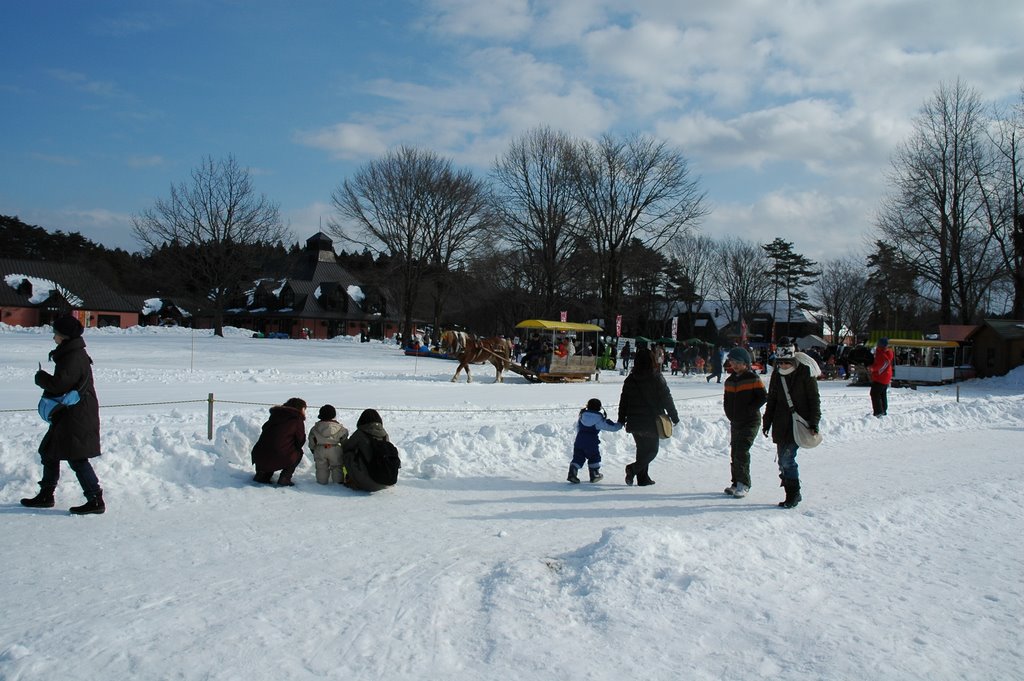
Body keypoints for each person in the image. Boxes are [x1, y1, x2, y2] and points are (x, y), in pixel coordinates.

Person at [22, 315, 105, 515]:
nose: (54, 338)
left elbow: (60, 385)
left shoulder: (73, 356)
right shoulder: (71, 353)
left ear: (64, 336)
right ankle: (46, 495)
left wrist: (41, 378)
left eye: (56, 333)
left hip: (76, 415)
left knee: (77, 458)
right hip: (71, 414)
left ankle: (95, 499)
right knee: (49, 452)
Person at [762, 341, 821, 508]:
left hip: (798, 423)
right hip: (781, 423)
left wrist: (814, 422)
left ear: (793, 360)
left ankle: (793, 495)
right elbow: (771, 400)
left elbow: (814, 400)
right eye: (780, 362)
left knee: (787, 459)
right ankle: (792, 492)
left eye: (786, 362)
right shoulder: (776, 375)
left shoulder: (804, 373)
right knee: (782, 461)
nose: (783, 365)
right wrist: (767, 422)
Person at [617, 348, 680, 487]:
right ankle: (633, 469)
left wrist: (621, 418)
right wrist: (674, 417)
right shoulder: (656, 377)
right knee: (652, 450)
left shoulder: (630, 379)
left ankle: (643, 478)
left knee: (642, 449)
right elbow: (666, 398)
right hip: (652, 420)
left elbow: (624, 400)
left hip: (634, 420)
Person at [722, 347, 767, 498]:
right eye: (732, 362)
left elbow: (762, 397)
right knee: (735, 451)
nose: (734, 365)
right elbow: (726, 400)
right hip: (736, 421)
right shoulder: (729, 381)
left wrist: (749, 410)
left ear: (746, 363)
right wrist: (729, 413)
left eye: (737, 362)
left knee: (742, 450)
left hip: (751, 421)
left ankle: (744, 483)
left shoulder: (753, 379)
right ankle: (735, 482)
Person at [251, 397, 307, 486]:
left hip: (259, 455)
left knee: (273, 449)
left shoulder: (275, 416)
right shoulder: (296, 419)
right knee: (298, 452)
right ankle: (285, 478)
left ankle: (263, 475)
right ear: (301, 408)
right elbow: (300, 441)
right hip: (279, 456)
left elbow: (265, 430)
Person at [341, 409, 400, 492]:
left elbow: (346, 447)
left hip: (368, 484)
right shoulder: (384, 435)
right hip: (386, 481)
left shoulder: (360, 433)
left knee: (348, 455)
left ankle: (352, 480)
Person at [567, 398, 622, 484]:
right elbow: (612, 427)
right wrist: (620, 424)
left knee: (578, 457)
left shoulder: (582, 416)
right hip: (591, 442)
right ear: (599, 408)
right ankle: (594, 474)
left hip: (579, 440)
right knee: (594, 456)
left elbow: (578, 427)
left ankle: (572, 473)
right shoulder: (598, 419)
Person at [307, 404, 349, 484]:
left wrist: (313, 449)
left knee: (321, 467)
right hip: (335, 449)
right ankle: (338, 482)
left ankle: (321, 482)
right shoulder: (340, 428)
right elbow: (344, 440)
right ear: (333, 415)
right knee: (337, 466)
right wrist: (344, 448)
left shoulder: (315, 428)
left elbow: (311, 440)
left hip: (320, 449)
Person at [869, 338, 894, 417]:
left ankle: (878, 412)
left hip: (881, 377)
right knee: (882, 394)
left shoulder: (882, 353)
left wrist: (873, 369)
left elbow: (882, 364)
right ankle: (883, 410)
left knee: (874, 393)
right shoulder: (886, 352)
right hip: (885, 377)